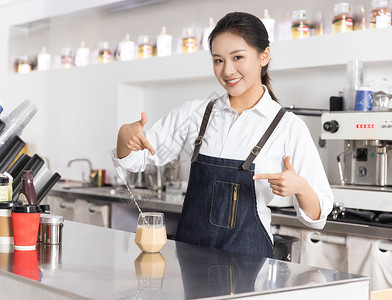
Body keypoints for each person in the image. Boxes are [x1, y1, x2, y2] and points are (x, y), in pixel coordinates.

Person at [113, 12, 333, 258]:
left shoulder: (288, 127)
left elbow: (318, 217)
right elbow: (135, 161)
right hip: (190, 265)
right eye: (218, 60)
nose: (227, 70)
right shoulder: (195, 114)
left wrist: (301, 188)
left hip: (251, 267)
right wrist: (124, 137)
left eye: (238, 57)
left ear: (264, 56)